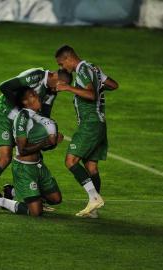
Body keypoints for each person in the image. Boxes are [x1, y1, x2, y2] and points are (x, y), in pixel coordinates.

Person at [0, 68, 72, 214]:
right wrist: (23, 108)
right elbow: (4, 86)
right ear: (56, 77)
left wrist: (51, 137)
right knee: (5, 158)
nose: (60, 89)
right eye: (60, 85)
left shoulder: (51, 93)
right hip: (4, 115)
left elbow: (44, 117)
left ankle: (17, 194)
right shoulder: (36, 76)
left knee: (33, 153)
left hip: (22, 119)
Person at [54, 45, 119, 218]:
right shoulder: (93, 68)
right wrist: (99, 85)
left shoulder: (82, 69)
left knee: (71, 161)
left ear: (68, 58)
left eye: (61, 64)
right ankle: (94, 209)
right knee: (91, 167)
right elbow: (113, 85)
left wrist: (68, 88)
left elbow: (91, 95)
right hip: (100, 123)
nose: (62, 68)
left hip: (90, 124)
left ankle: (94, 197)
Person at [0, 87, 64, 217]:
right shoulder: (22, 117)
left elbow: (45, 147)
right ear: (25, 102)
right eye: (32, 95)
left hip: (39, 166)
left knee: (56, 199)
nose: (37, 96)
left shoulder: (39, 116)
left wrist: (53, 142)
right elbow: (22, 150)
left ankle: (12, 191)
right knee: (36, 212)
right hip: (24, 169)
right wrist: (45, 142)